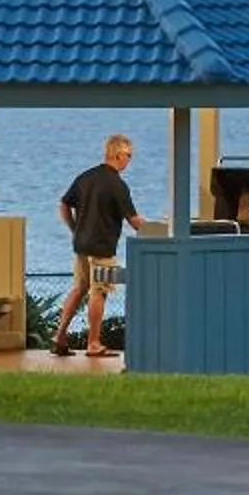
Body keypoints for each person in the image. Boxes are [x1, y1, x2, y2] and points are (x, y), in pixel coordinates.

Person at [54, 133, 147, 358]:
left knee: (79, 288)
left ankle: (60, 335)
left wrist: (75, 229)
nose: (129, 161)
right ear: (118, 154)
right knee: (99, 291)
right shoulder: (117, 185)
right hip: (102, 248)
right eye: (128, 156)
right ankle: (93, 343)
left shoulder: (85, 177)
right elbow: (134, 221)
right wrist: (162, 231)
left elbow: (64, 205)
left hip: (81, 244)